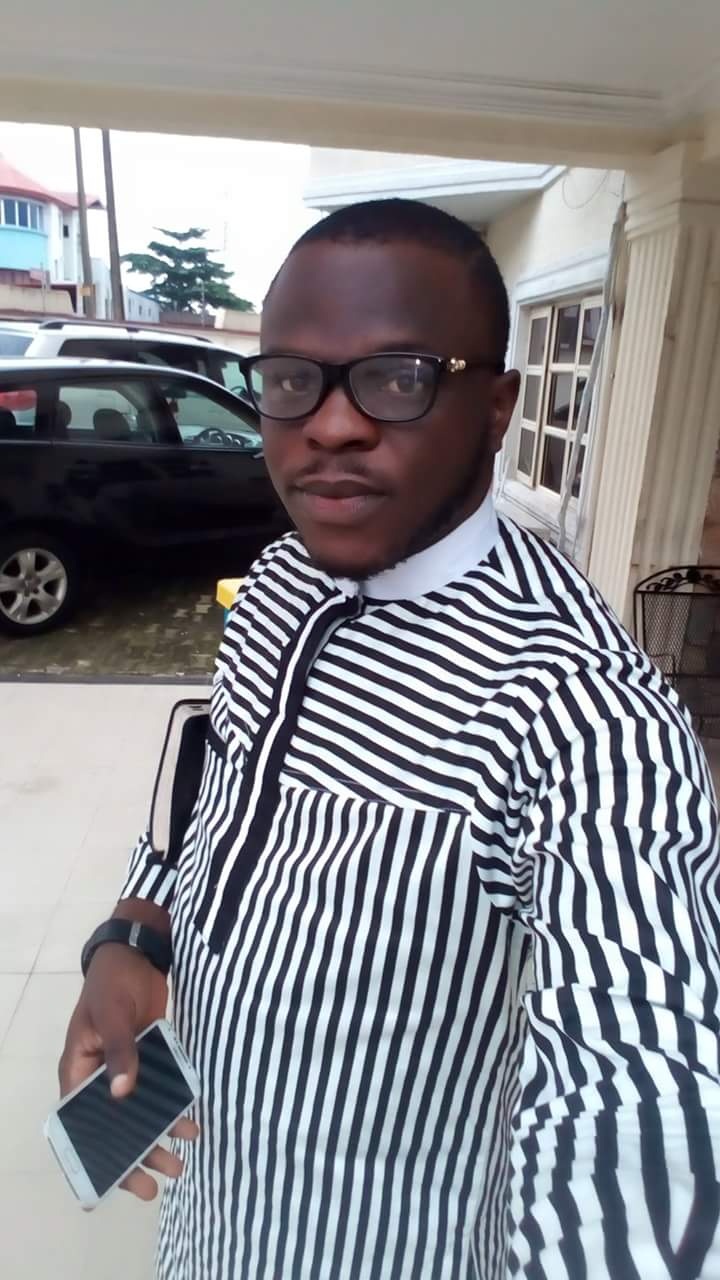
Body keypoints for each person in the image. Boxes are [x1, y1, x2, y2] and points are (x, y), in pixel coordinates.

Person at [60, 199, 720, 1279]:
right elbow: (216, 790)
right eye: (291, 380)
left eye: (399, 377)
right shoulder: (281, 579)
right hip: (208, 1214)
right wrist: (133, 932)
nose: (329, 426)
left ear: (498, 407)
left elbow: (640, 1083)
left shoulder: (585, 717)